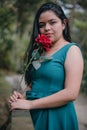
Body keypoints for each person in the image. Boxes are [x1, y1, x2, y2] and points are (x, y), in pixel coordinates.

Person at [9, 2, 84, 130]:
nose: (46, 28)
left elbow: (71, 93)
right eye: (42, 25)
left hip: (58, 116)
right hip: (39, 116)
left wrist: (30, 104)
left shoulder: (71, 50)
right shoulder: (39, 52)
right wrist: (23, 95)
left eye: (52, 22)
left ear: (63, 24)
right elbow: (35, 82)